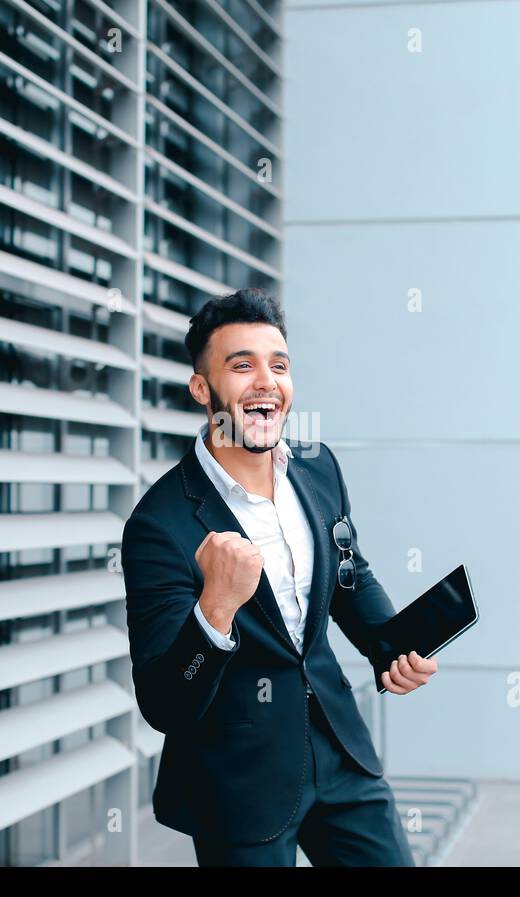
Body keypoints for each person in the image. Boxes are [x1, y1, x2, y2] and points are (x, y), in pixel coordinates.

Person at [121, 288, 437, 866]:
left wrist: (389, 646)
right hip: (238, 781)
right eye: (242, 366)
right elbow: (164, 703)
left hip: (341, 753)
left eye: (279, 365)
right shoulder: (159, 523)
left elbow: (347, 572)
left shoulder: (318, 467)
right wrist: (215, 607)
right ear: (202, 389)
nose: (266, 381)